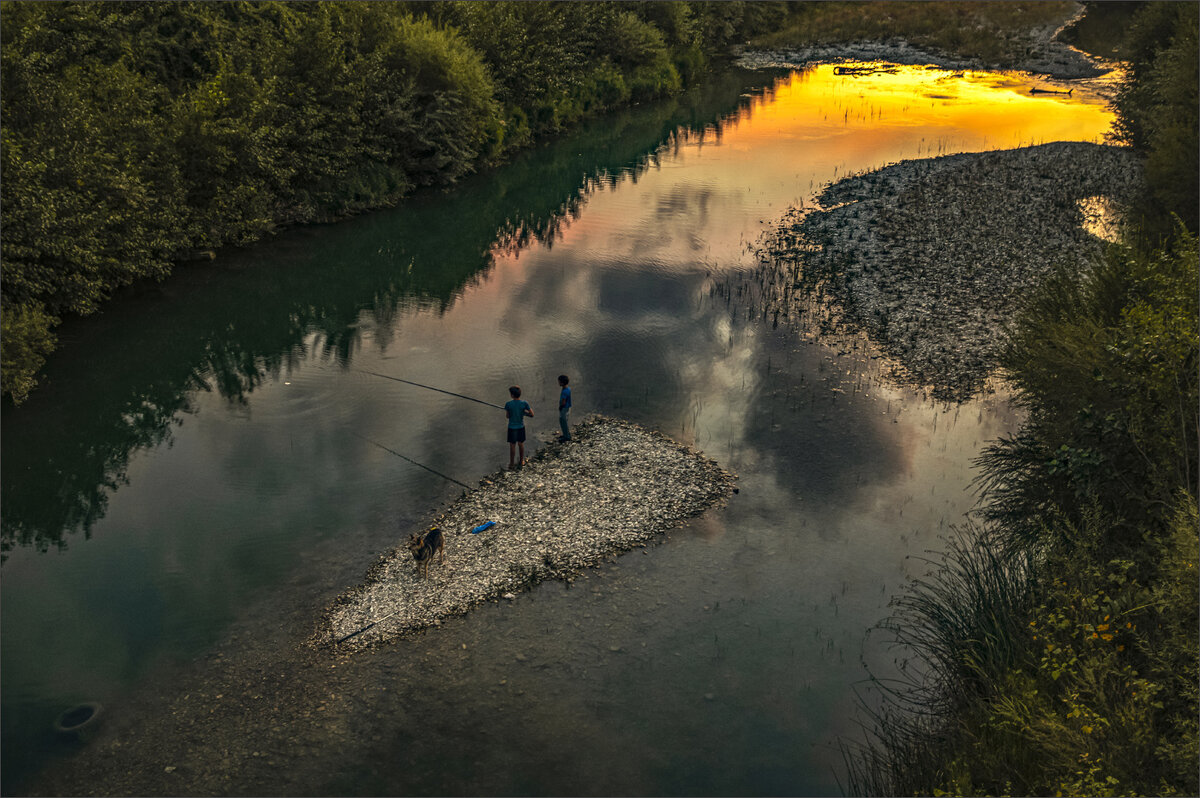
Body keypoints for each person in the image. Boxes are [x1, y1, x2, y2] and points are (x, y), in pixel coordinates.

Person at [504, 385, 533, 468]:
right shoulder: (524, 403)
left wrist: (508, 410)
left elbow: (508, 416)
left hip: (512, 428)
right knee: (521, 444)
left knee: (512, 445)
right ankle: (521, 461)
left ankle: (512, 463)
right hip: (521, 427)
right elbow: (532, 414)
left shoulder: (508, 404)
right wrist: (524, 413)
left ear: (512, 395)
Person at [557, 374, 572, 442]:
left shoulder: (564, 392)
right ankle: (566, 434)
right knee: (564, 421)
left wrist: (560, 407)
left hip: (564, 408)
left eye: (559, 382)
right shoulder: (568, 388)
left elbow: (563, 402)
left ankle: (567, 437)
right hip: (568, 407)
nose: (558, 383)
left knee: (563, 422)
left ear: (562, 383)